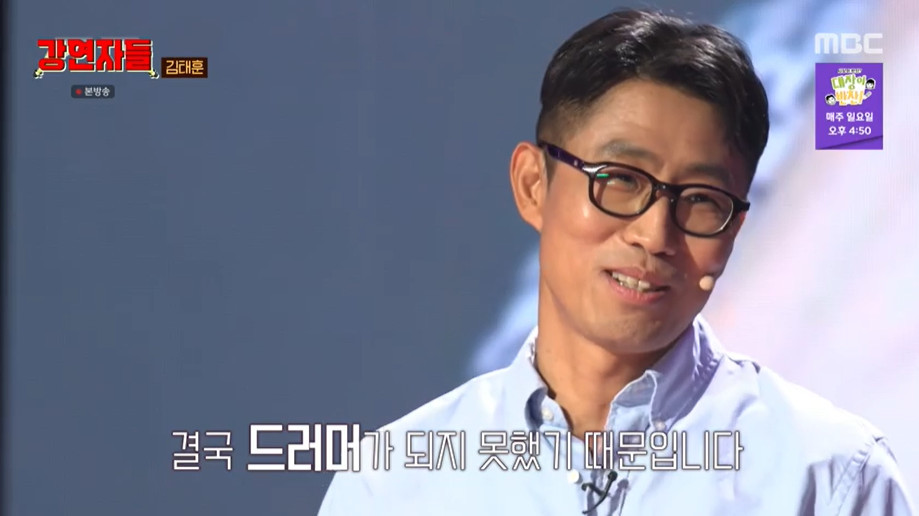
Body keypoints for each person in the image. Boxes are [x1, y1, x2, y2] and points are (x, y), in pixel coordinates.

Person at [318, 9, 915, 515]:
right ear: (533, 186)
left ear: (734, 230)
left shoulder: (830, 476)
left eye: (701, 200)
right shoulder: (395, 481)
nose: (655, 235)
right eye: (622, 180)